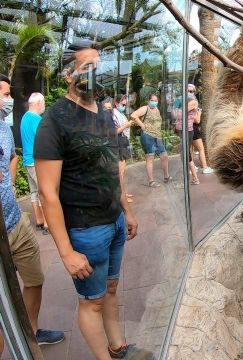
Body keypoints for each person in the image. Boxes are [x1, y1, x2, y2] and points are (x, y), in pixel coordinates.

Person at [34, 42, 152, 360]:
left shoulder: (102, 109)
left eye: (98, 65)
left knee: (111, 289)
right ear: (68, 74)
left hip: (113, 220)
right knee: (92, 301)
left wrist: (126, 210)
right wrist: (66, 252)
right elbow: (47, 193)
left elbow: (111, 166)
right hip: (86, 230)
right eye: (87, 67)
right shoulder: (54, 122)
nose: (95, 73)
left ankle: (118, 348)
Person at [0, 74, 64, 353]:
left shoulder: (5, 125)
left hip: (15, 220)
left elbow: (11, 156)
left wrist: (9, 186)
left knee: (35, 278)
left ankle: (32, 331)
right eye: (2, 94)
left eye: (6, 93)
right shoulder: (35, 119)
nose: (6, 100)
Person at [19, 92, 48, 234]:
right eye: (43, 103)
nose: (44, 106)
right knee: (44, 191)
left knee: (34, 191)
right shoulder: (37, 119)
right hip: (37, 161)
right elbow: (45, 141)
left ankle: (39, 221)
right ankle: (48, 224)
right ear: (37, 103)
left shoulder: (24, 118)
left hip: (27, 160)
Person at [130, 94, 170, 188]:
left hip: (157, 136)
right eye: (152, 100)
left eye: (156, 100)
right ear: (148, 101)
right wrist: (142, 125)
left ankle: (167, 176)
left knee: (164, 156)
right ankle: (151, 181)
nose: (154, 102)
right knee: (150, 158)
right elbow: (133, 115)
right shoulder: (145, 108)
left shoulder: (157, 110)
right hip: (147, 136)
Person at [181, 84, 213, 174]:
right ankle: (205, 167)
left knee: (190, 148)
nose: (189, 93)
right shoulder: (193, 103)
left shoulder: (183, 102)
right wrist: (199, 112)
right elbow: (197, 120)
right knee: (200, 148)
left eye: (191, 91)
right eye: (188, 91)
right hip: (193, 128)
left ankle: (192, 167)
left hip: (185, 127)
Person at [111, 95, 134, 202]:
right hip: (119, 142)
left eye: (125, 104)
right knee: (120, 171)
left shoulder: (120, 113)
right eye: (122, 103)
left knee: (123, 170)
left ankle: (123, 193)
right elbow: (115, 131)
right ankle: (121, 197)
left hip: (123, 141)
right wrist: (126, 125)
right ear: (116, 103)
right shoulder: (113, 114)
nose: (124, 105)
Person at [175, 96, 200, 185]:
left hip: (187, 131)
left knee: (186, 156)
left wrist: (178, 110)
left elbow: (179, 114)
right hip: (185, 131)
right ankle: (194, 178)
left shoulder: (193, 102)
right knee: (186, 155)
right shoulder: (189, 103)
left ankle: (187, 180)